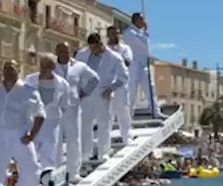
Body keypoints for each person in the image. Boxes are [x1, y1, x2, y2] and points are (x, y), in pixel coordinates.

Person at [0, 59, 46, 186]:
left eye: (12, 68)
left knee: (31, 169)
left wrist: (31, 135)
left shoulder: (28, 90)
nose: (9, 71)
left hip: (20, 134)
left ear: (19, 70)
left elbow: (40, 114)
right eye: (6, 68)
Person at [77, 33, 132, 162]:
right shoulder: (81, 54)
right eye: (90, 48)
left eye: (94, 48)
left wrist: (112, 88)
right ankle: (86, 153)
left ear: (101, 44)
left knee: (104, 123)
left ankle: (104, 152)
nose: (92, 51)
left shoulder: (114, 57)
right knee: (85, 124)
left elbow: (124, 77)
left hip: (103, 92)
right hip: (86, 93)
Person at [55, 41, 98, 177]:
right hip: (55, 110)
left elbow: (95, 79)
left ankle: (74, 173)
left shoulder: (79, 66)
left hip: (73, 108)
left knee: (74, 141)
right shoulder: (51, 67)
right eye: (61, 51)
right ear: (56, 52)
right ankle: (56, 172)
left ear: (70, 52)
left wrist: (84, 93)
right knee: (56, 141)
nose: (64, 54)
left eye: (66, 51)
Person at [23, 52, 73, 170]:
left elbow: (65, 105)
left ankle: (47, 181)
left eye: (47, 66)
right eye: (42, 65)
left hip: (52, 123)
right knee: (31, 152)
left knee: (49, 154)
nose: (43, 69)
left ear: (53, 68)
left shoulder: (63, 84)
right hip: (32, 122)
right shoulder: (30, 80)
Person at [121, 14, 161, 118]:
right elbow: (143, 43)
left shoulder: (140, 32)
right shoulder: (129, 32)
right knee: (131, 90)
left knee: (150, 88)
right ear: (137, 20)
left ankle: (156, 112)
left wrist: (145, 32)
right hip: (133, 64)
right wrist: (145, 32)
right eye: (143, 19)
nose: (145, 21)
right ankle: (128, 115)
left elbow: (146, 46)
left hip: (143, 64)